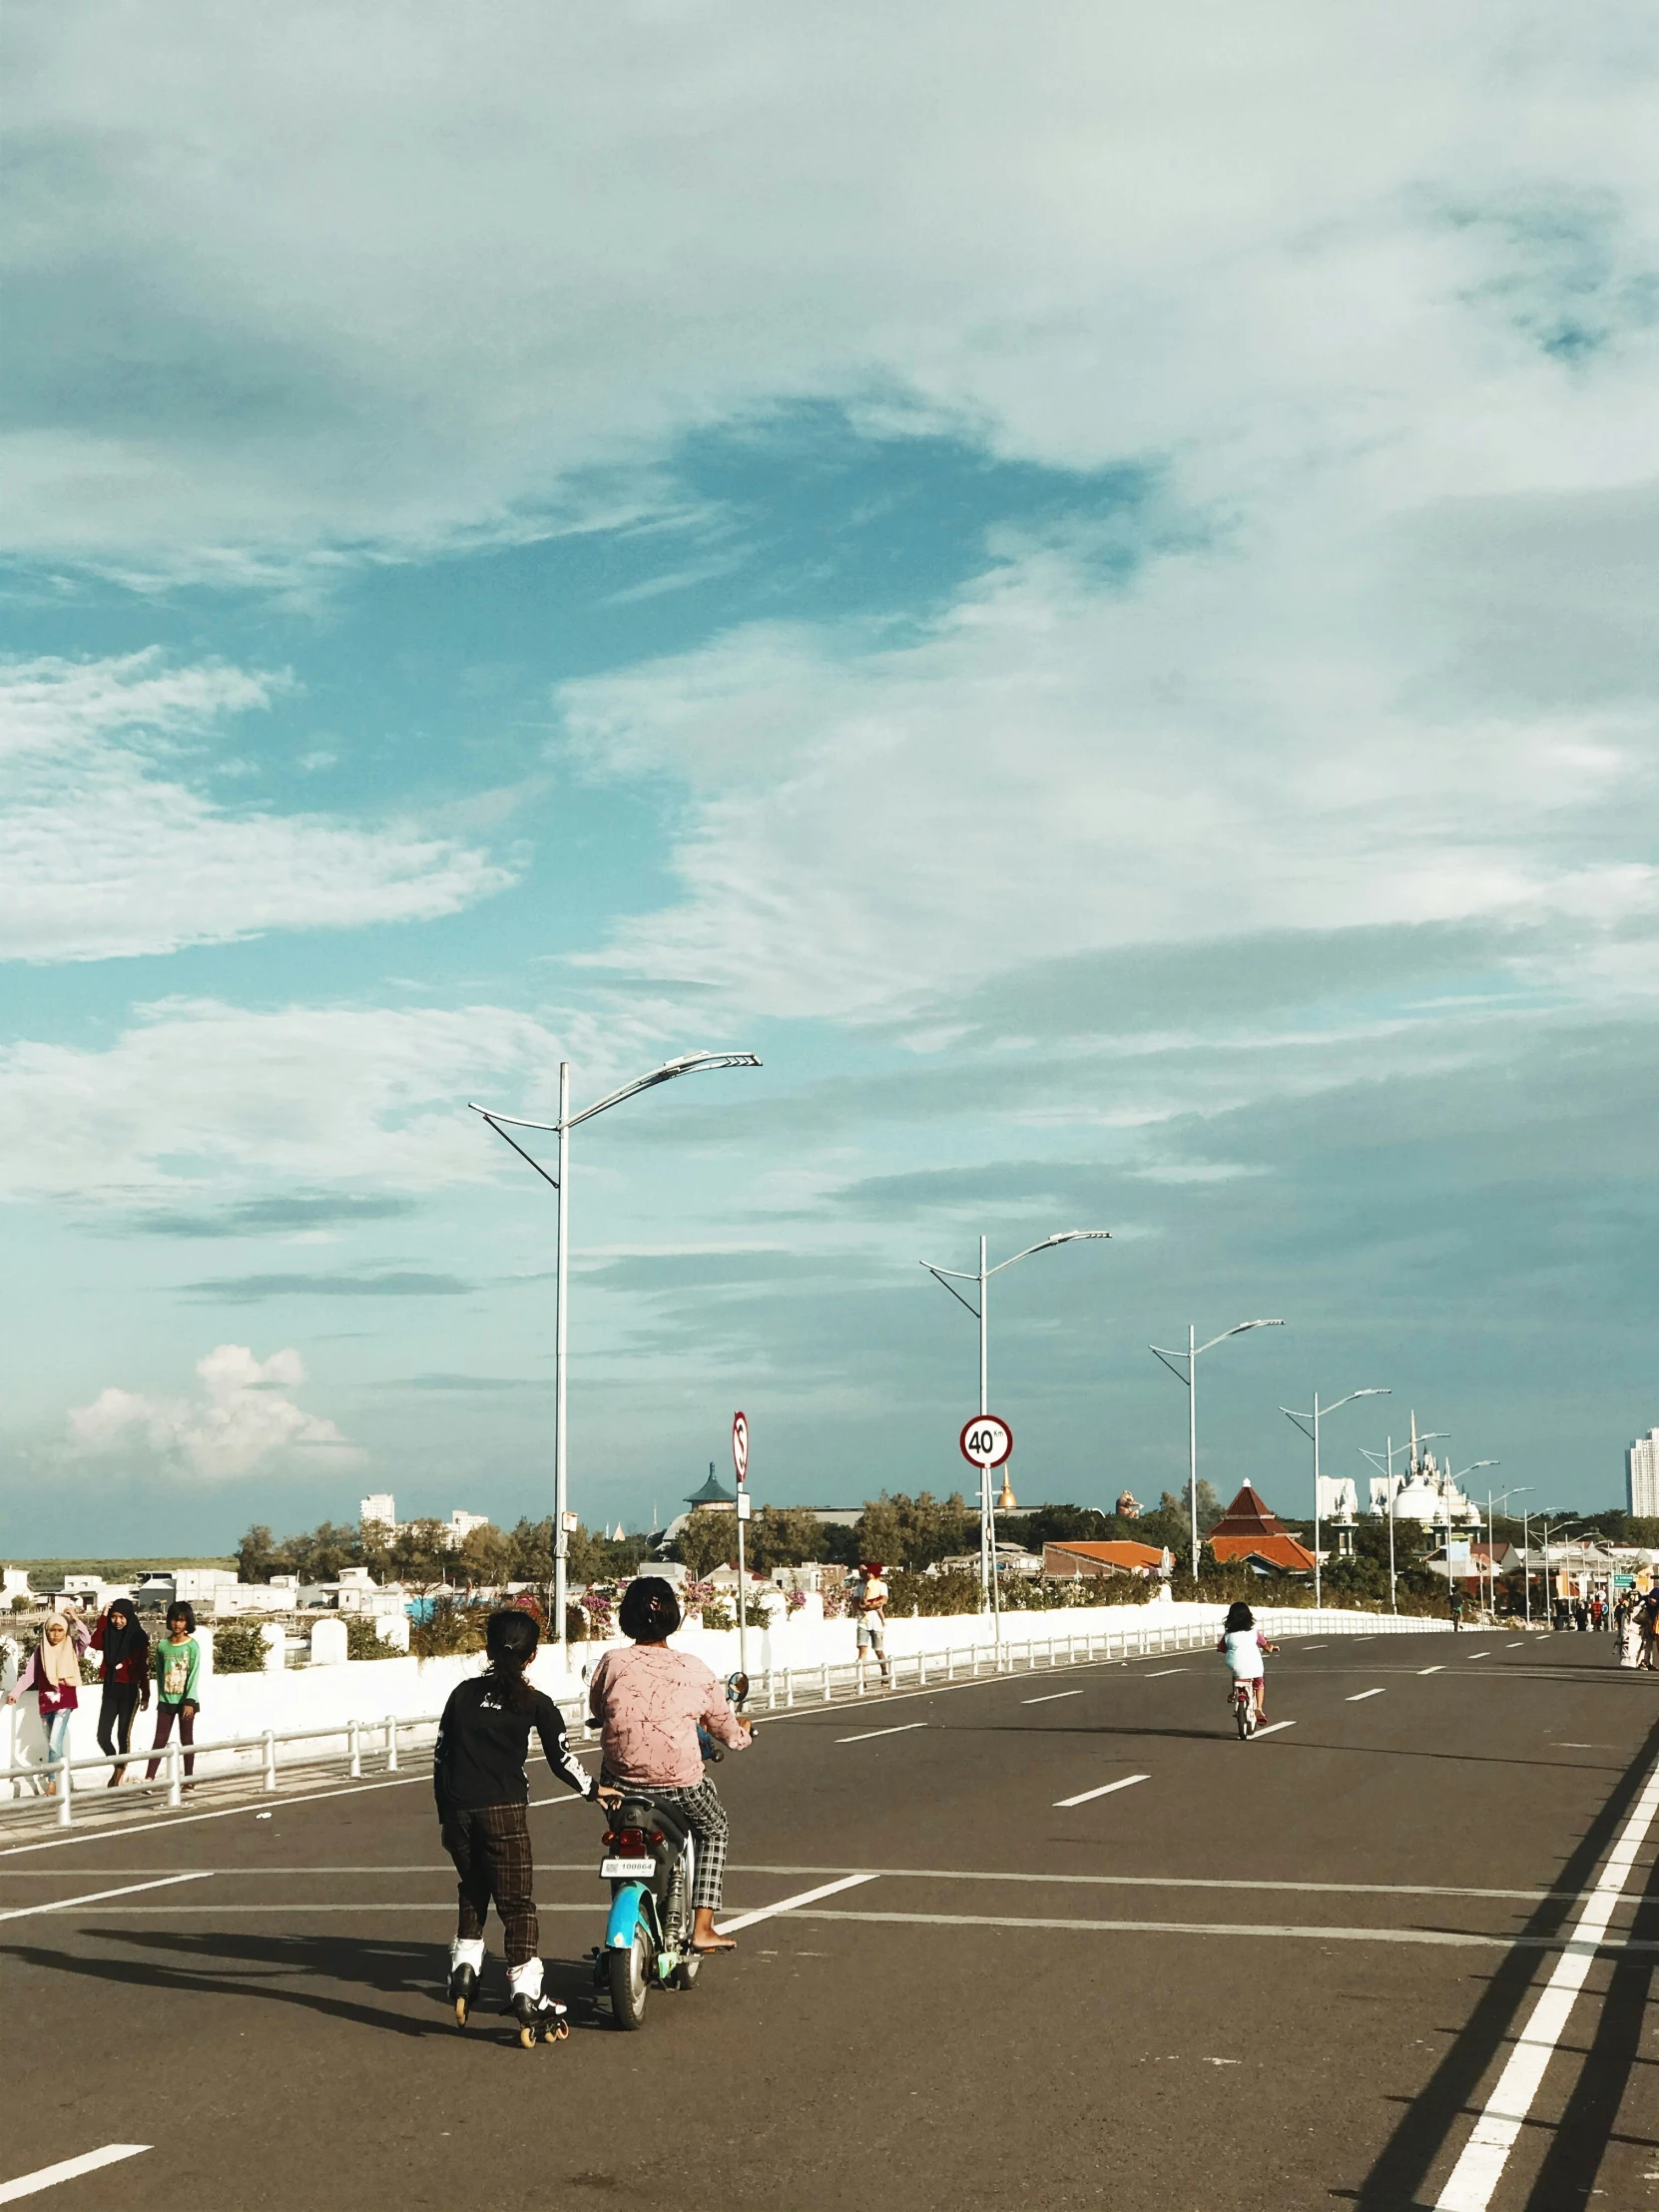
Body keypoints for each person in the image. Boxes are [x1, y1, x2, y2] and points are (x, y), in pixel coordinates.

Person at [434, 1607, 618, 2035]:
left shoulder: (462, 1694)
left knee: (474, 1888)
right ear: (532, 1656)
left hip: (457, 1812)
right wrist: (594, 1790)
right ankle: (526, 1992)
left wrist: (446, 1816)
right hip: (504, 1813)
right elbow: (561, 1759)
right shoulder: (535, 1704)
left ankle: (464, 1969)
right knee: (517, 1906)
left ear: (488, 1648)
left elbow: (441, 1757)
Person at [588, 1577, 752, 1954]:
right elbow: (726, 1730)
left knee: (621, 1838)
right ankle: (703, 1927)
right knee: (715, 1830)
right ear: (674, 1617)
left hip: (619, 1785)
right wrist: (743, 1733)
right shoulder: (694, 1669)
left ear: (626, 1617)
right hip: (680, 1786)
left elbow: (599, 1709)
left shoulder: (612, 1662)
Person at [6, 1613, 84, 1795]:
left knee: (54, 1743)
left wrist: (75, 1619)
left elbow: (86, 1638)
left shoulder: (72, 1648)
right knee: (51, 1742)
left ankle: (52, 1782)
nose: (55, 1634)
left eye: (60, 1630)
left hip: (65, 1702)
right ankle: (63, 1777)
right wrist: (15, 1693)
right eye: (52, 1630)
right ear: (46, 1631)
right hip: (46, 1703)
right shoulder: (40, 1651)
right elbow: (29, 1676)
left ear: (65, 1632)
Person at [91, 1598, 150, 1787]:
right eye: (114, 1617)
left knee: (122, 1734)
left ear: (129, 1616)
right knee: (102, 1735)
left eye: (121, 1617)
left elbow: (143, 1668)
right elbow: (95, 1642)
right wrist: (103, 1617)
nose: (117, 1621)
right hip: (110, 1688)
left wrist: (146, 1694)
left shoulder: (138, 1637)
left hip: (129, 1690)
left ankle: (118, 1773)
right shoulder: (108, 1634)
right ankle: (118, 1764)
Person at [144, 1602, 202, 1786]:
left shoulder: (192, 1646)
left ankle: (189, 1779)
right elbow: (160, 1673)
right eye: (174, 1619)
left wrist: (190, 1701)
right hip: (166, 1700)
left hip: (186, 1700)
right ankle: (150, 1778)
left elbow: (194, 1673)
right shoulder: (162, 1646)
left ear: (187, 1623)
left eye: (181, 1620)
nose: (177, 1624)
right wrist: (161, 1697)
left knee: (186, 1739)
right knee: (159, 1739)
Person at [1217, 1599, 1278, 1726]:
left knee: (1236, 1673)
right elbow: (1266, 1646)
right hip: (1255, 1667)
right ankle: (1258, 1708)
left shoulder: (1228, 1634)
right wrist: (1271, 1648)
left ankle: (1235, 1693)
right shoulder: (1253, 1631)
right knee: (1259, 1684)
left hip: (1236, 1666)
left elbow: (1221, 1648)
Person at [853, 1560, 891, 1688]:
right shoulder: (859, 1587)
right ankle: (862, 1680)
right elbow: (855, 1602)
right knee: (862, 1650)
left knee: (878, 1650)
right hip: (863, 1622)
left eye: (863, 1570)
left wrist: (869, 1606)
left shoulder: (881, 1585)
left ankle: (884, 1672)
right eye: (860, 1570)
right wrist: (863, 1606)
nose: (861, 1573)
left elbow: (883, 1600)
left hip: (877, 1623)